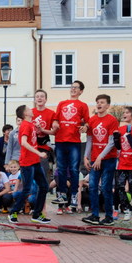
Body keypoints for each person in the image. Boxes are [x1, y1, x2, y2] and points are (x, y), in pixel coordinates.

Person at [50, 81, 89, 212]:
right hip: (60, 139)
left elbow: (87, 121)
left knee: (73, 169)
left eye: (76, 87)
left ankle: (73, 196)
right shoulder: (62, 103)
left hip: (74, 141)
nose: (73, 89)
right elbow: (55, 118)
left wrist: (85, 126)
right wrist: (55, 123)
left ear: (81, 91)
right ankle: (61, 195)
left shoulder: (83, 105)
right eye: (71, 87)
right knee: (60, 169)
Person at [9, 104, 51, 224]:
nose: (31, 110)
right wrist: (39, 152)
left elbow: (32, 140)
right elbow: (24, 142)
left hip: (34, 162)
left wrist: (37, 129)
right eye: (28, 109)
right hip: (27, 162)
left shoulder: (30, 125)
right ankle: (14, 212)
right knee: (27, 189)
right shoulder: (25, 125)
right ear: (25, 114)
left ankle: (37, 214)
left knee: (44, 186)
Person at [81, 94, 119, 226]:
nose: (99, 104)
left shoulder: (112, 120)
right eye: (97, 102)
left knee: (106, 187)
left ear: (107, 105)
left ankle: (109, 216)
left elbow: (111, 142)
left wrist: (100, 157)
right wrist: (86, 156)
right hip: (94, 158)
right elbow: (90, 140)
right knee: (92, 186)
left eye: (102, 102)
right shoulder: (92, 120)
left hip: (108, 159)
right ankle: (95, 215)